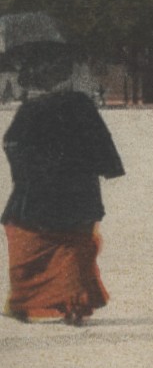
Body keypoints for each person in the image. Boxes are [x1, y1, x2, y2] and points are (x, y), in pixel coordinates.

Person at [3, 84, 125, 324]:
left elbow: (13, 145)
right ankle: (74, 305)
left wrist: (29, 172)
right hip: (79, 188)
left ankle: (26, 301)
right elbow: (100, 139)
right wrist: (108, 166)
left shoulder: (31, 108)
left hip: (40, 190)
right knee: (74, 248)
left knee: (30, 245)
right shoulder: (81, 104)